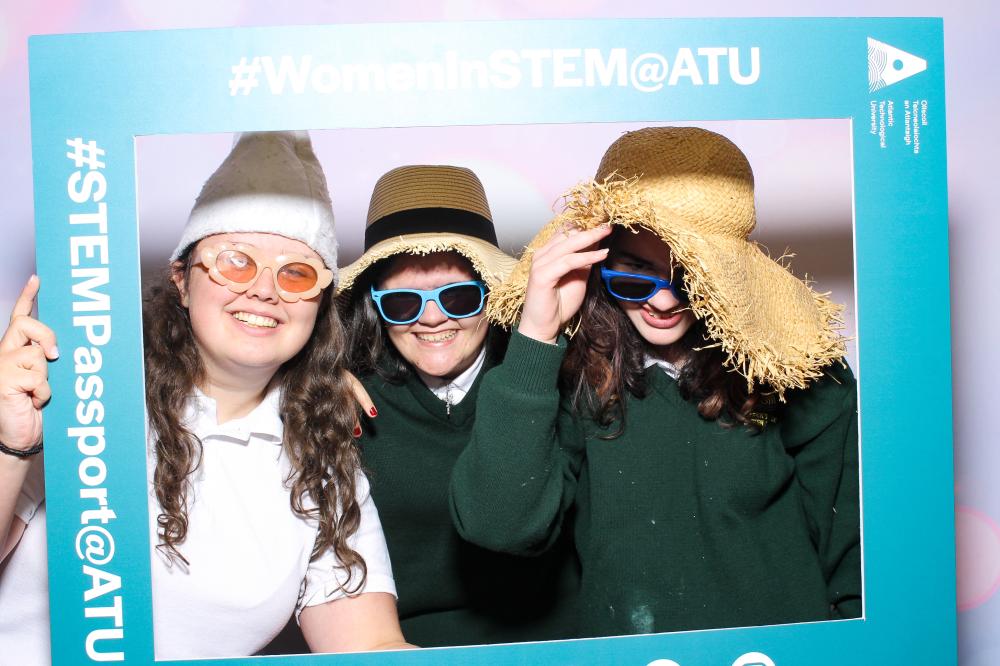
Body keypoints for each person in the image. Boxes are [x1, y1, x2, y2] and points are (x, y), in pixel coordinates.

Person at [0, 131, 407, 661]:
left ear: (318, 304)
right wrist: (12, 445)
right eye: (236, 261)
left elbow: (371, 646)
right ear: (182, 280)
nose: (264, 290)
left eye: (296, 273)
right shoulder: (87, 394)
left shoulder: (322, 459)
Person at [450, 126, 862, 638]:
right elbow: (500, 526)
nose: (662, 303)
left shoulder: (801, 372)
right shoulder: (571, 375)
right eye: (634, 274)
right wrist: (537, 333)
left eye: (688, 279)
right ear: (598, 263)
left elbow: (855, 555)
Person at [338, 165, 579, 647]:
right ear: (374, 305)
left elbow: (507, 525)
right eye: (402, 303)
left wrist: (534, 353)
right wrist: (304, 382)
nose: (431, 318)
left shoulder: (555, 376)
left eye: (460, 296)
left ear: (492, 294)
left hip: (553, 650)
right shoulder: (342, 396)